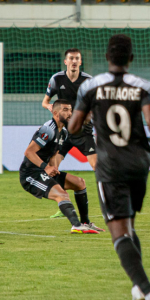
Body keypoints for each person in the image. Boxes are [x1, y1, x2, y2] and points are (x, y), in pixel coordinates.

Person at [68, 34, 150, 300]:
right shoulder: (143, 86)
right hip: (139, 164)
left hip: (110, 167)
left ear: (107, 58)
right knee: (129, 225)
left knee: (119, 233)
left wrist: (88, 116)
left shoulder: (91, 86)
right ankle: (138, 293)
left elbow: (74, 127)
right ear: (130, 59)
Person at [19, 99, 103, 235]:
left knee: (79, 183)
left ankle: (85, 223)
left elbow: (54, 154)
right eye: (65, 110)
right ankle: (76, 226)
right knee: (62, 195)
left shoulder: (63, 132)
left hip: (44, 171)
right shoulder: (48, 129)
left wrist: (53, 167)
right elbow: (29, 152)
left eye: (70, 110)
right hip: (31, 175)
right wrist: (46, 167)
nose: (69, 113)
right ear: (55, 113)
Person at [42, 49, 100, 220]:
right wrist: (51, 107)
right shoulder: (56, 79)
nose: (74, 61)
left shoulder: (88, 81)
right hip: (63, 132)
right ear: (65, 62)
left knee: (97, 167)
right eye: (71, 58)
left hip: (83, 132)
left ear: (80, 62)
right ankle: (63, 203)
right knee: (52, 168)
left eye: (77, 59)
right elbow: (45, 102)